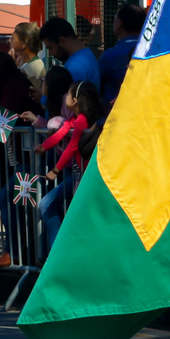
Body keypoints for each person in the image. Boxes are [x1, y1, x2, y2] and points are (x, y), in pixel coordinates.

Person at [37, 80, 102, 250]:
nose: (65, 95)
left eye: (69, 93)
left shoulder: (81, 120)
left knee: (81, 220)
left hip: (85, 177)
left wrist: (56, 170)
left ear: (75, 101)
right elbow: (60, 134)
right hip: (80, 176)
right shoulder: (75, 118)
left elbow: (72, 146)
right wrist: (44, 147)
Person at [97, 4, 145, 106]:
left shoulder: (111, 55)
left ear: (119, 23)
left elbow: (97, 86)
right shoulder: (152, 50)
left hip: (114, 115)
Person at [39, 17, 99, 89]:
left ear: (62, 41)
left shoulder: (76, 66)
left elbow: (67, 99)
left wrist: (44, 97)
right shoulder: (85, 56)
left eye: (51, 48)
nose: (50, 54)